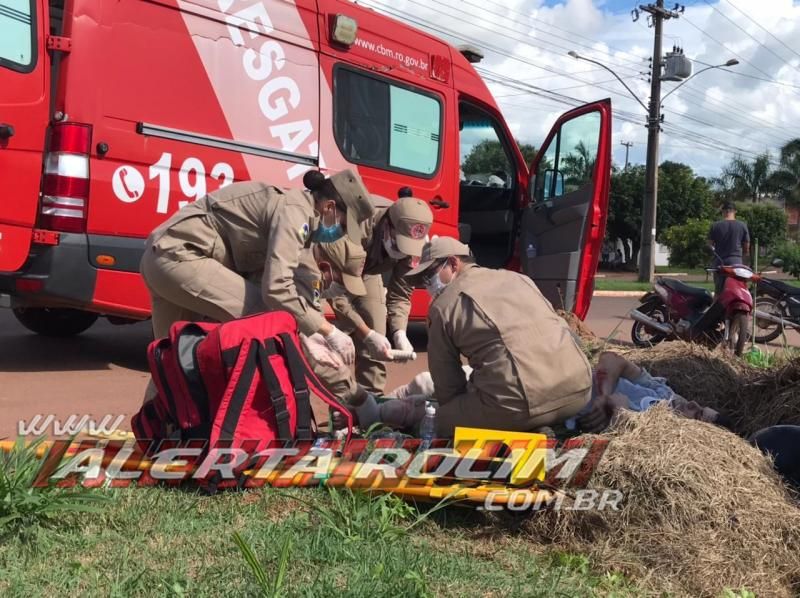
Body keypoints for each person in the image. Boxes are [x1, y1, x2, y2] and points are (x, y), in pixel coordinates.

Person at [140, 169, 375, 364]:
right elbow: (277, 289)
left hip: (163, 257)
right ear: (330, 207)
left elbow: (291, 286)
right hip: (181, 256)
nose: (341, 234)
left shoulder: (301, 219)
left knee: (172, 361)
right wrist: (326, 330)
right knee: (265, 318)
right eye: (344, 226)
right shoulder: (295, 214)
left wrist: (308, 331)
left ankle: (160, 409)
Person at [380, 236, 593, 438]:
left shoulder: (443, 306)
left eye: (430, 275)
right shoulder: (518, 278)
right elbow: (561, 329)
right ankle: (537, 422)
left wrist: (455, 411)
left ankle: (525, 426)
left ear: (453, 263)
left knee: (435, 422)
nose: (428, 285)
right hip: (580, 390)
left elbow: (448, 387)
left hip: (521, 405)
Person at [328, 194, 434, 395]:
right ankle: (332, 400)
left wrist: (399, 332)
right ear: (387, 225)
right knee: (324, 334)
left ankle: (371, 399)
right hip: (333, 269)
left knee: (377, 330)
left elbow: (401, 293)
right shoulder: (355, 226)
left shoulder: (414, 244)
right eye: (400, 244)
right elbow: (336, 294)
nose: (404, 252)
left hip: (368, 272)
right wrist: (365, 333)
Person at [708, 202, 750, 294]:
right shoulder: (742, 226)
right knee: (737, 290)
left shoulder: (715, 226)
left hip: (720, 262)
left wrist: (713, 254)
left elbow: (710, 245)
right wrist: (745, 260)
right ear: (735, 211)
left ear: (723, 211)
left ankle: (718, 303)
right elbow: (746, 247)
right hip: (736, 262)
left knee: (719, 291)